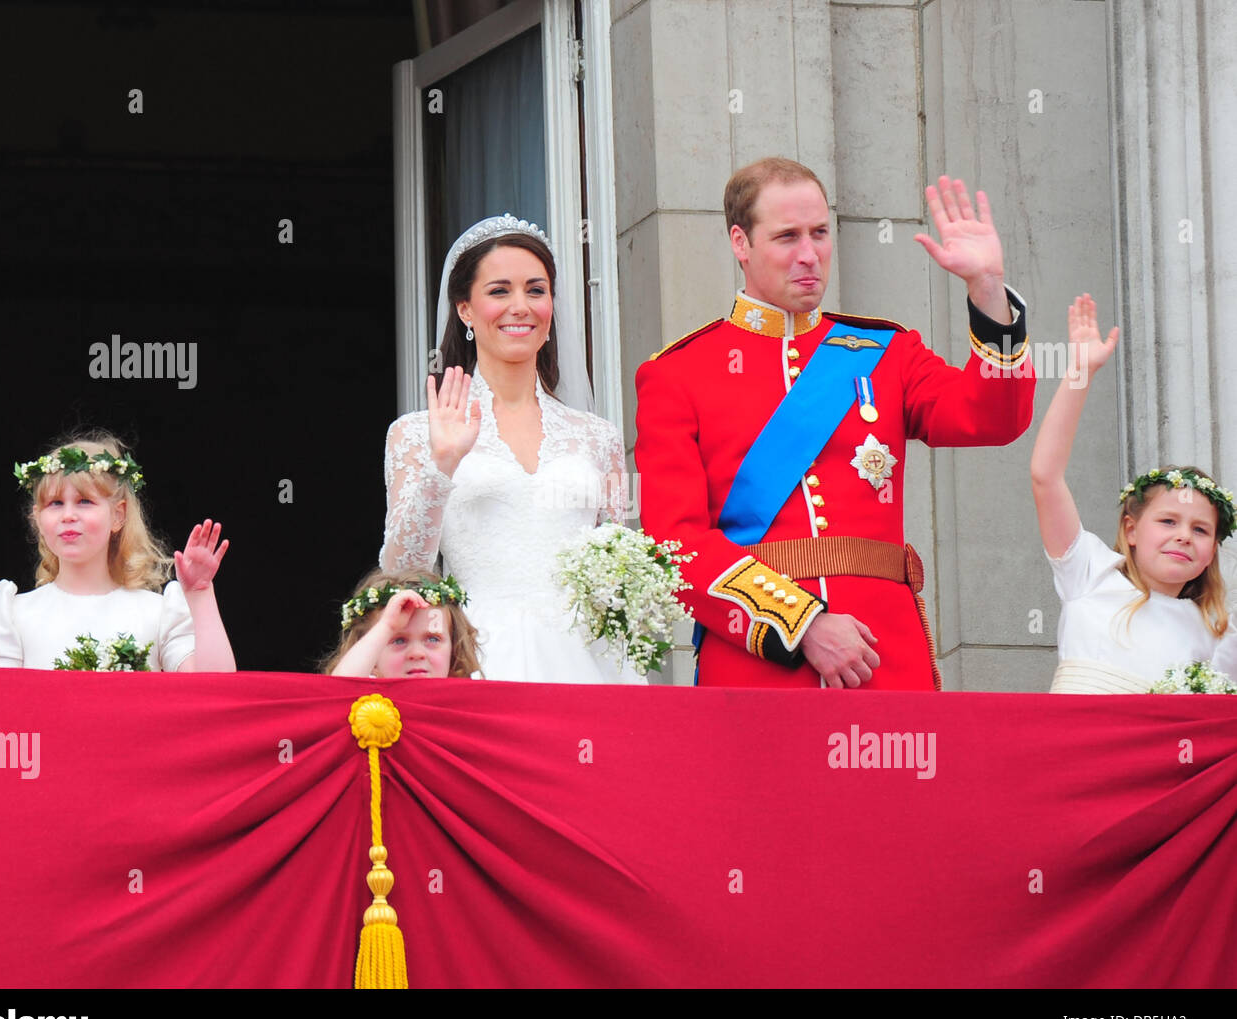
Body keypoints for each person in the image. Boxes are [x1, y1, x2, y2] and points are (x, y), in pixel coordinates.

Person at [635, 158, 1035, 689]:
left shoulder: (885, 353)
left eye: (820, 233)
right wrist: (802, 625)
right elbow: (676, 546)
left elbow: (994, 417)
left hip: (884, 654)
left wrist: (987, 288)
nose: (809, 255)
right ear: (740, 242)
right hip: (756, 667)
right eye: (787, 237)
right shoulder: (678, 373)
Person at [379, 214, 642, 683]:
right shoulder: (415, 433)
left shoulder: (600, 436)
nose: (520, 306)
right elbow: (402, 569)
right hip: (477, 656)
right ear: (465, 309)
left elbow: (623, 559)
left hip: (590, 663)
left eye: (536, 290)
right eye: (499, 291)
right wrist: (443, 464)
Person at [1030, 294, 1236, 692]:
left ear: (1212, 549)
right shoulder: (1090, 574)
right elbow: (1045, 476)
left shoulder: (1217, 634)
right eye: (1168, 521)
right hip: (1074, 749)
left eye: (1200, 530)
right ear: (1131, 530)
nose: (1183, 536)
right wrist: (1080, 372)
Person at [0, 432, 235, 671]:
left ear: (118, 515)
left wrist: (200, 594)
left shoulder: (158, 612)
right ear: (37, 519)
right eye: (56, 503)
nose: (68, 515)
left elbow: (216, 690)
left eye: (85, 501)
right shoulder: (12, 615)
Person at [324, 570, 481, 678]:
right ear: (373, 661)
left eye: (433, 639)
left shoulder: (466, 701)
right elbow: (340, 687)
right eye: (399, 640)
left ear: (454, 649)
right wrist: (387, 626)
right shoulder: (367, 697)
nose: (417, 653)